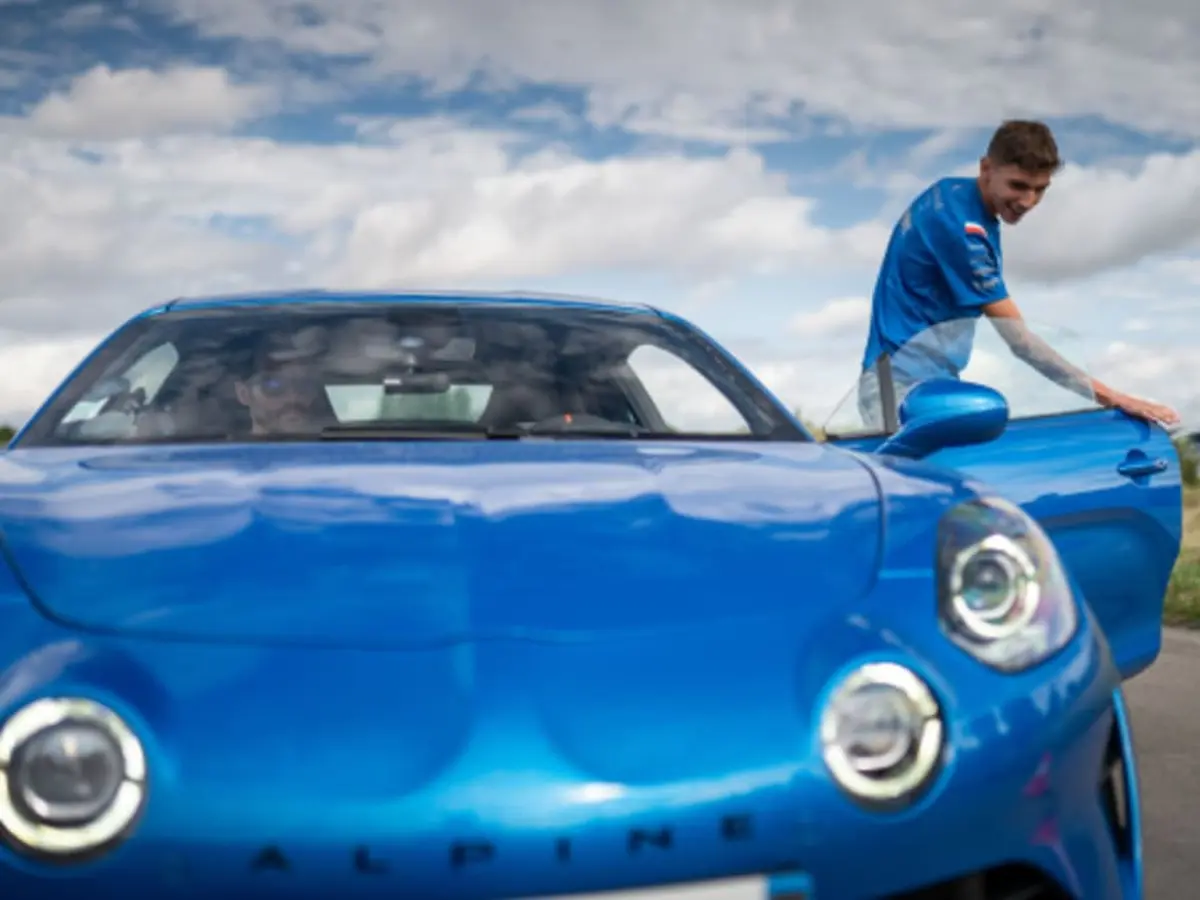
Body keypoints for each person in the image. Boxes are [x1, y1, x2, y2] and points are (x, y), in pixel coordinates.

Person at [857, 119, 1179, 431]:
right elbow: (1021, 341)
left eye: (1040, 189)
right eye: (1018, 186)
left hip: (925, 386)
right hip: (900, 390)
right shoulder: (964, 232)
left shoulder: (952, 192)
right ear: (986, 169)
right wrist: (1115, 398)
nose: (1028, 201)